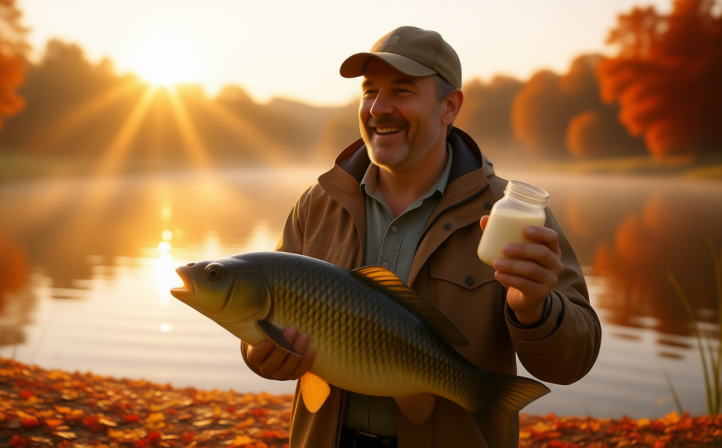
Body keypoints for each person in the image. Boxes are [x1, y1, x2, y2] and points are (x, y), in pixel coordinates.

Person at [241, 26, 601, 448]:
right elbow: (264, 319)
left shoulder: (511, 215)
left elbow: (573, 362)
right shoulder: (316, 205)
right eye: (369, 91)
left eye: (402, 90)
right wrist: (259, 357)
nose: (378, 108)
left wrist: (534, 308)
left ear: (450, 106)